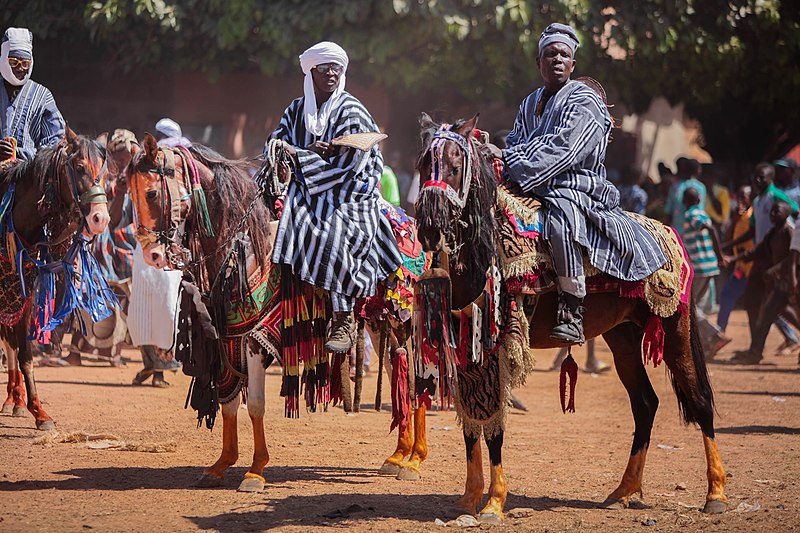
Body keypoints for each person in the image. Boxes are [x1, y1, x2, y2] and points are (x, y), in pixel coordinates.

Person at [492, 23, 666, 343]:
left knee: (561, 222)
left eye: (563, 55)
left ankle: (571, 307)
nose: (557, 59)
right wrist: (504, 158)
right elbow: (514, 140)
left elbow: (565, 149)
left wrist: (511, 160)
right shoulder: (529, 103)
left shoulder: (585, 100)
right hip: (531, 183)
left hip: (576, 186)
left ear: (573, 64)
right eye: (549, 54)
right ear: (539, 62)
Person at [269, 41, 402, 353]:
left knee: (333, 229)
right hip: (306, 185)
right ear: (311, 71)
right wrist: (301, 153)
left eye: (336, 67)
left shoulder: (352, 110)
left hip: (352, 190)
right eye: (324, 67)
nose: (330, 72)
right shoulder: (296, 109)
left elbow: (349, 167)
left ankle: (343, 316)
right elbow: (274, 145)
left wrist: (300, 157)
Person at [726, 201, 794, 364]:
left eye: (776, 211)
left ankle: (756, 351)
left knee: (785, 314)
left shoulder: (788, 231)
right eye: (771, 212)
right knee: (768, 315)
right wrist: (734, 258)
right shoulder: (773, 232)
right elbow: (757, 251)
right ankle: (755, 352)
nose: (772, 214)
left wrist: (775, 270)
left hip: (792, 281)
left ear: (787, 212)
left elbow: (793, 257)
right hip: (780, 284)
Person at [0, 27, 64, 162]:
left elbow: (56, 142)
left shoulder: (43, 96)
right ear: (4, 59)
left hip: (28, 178)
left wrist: (19, 154)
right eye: (14, 62)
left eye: (25, 63)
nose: (20, 67)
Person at [682, 188, 731, 356]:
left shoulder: (690, 215)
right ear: (700, 199)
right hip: (709, 265)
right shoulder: (703, 212)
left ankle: (715, 334)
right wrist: (717, 257)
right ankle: (707, 343)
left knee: (690, 307)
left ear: (684, 201)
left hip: (700, 266)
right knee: (696, 306)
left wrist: (720, 255)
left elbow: (710, 229)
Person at [717, 185, 754, 332]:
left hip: (750, 266)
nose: (740, 200)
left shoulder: (752, 216)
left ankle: (719, 332)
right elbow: (730, 237)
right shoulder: (740, 216)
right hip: (741, 266)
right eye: (738, 196)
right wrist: (734, 220)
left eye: (743, 197)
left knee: (728, 295)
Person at [664, 157, 706, 237]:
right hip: (694, 230)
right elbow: (700, 209)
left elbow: (669, 211)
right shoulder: (700, 187)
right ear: (697, 170)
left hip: (676, 231)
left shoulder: (675, 186)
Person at [701, 163, 731, 229]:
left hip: (716, 227)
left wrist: (710, 193)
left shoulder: (722, 191)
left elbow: (721, 213)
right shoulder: (697, 189)